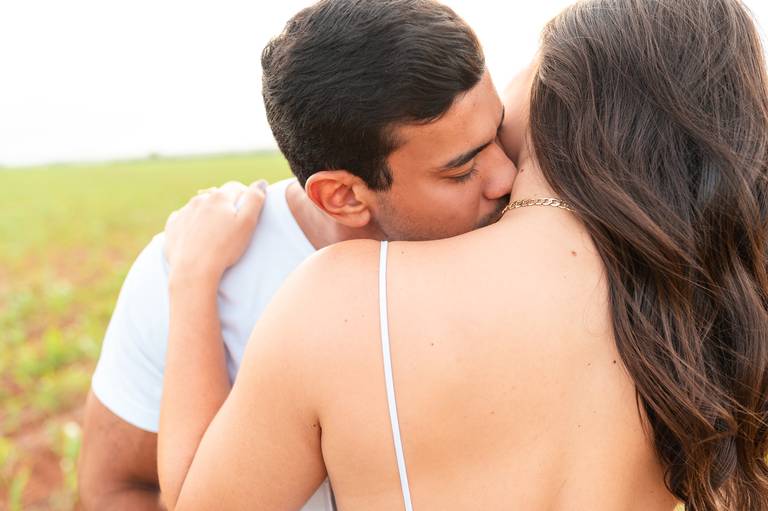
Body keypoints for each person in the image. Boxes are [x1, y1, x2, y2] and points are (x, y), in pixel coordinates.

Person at [158, 0, 768, 509]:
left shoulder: (341, 301)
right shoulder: (692, 294)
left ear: (568, 88)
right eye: (460, 167)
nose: (499, 172)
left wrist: (191, 282)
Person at [77, 1, 516, 509]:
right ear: (343, 197)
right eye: (461, 170)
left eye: (498, 133)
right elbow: (116, 488)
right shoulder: (189, 272)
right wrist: (193, 281)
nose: (507, 176)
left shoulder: (522, 237)